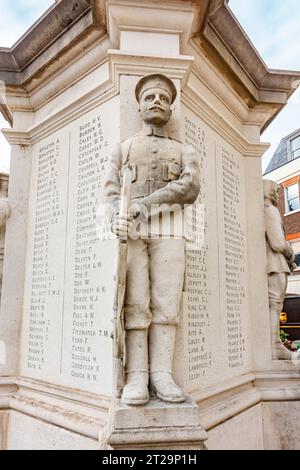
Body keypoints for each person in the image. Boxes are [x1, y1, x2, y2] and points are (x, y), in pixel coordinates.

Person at [103, 74, 200, 405]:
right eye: (149, 96)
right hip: (131, 235)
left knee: (166, 302)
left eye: (163, 97)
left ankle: (162, 374)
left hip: (169, 231)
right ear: (140, 105)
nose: (156, 100)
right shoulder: (123, 148)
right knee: (135, 302)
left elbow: (188, 188)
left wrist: (141, 207)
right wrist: (113, 216)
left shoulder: (185, 151)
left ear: (171, 109)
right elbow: (109, 191)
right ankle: (137, 377)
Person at [264, 180, 296, 359]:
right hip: (275, 265)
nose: (278, 194)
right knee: (275, 305)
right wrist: (290, 253)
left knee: (276, 305)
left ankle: (275, 343)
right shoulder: (270, 210)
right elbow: (277, 243)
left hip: (276, 264)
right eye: (276, 190)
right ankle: (273, 344)